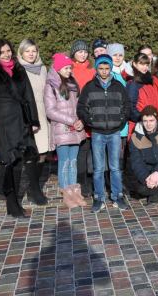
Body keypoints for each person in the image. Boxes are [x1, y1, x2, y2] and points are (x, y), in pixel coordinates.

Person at [0, 39, 40, 218]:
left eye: (8, 51)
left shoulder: (19, 69)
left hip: (22, 121)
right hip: (4, 123)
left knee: (18, 162)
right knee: (8, 163)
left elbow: (29, 96)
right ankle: (11, 202)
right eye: (2, 52)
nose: (6, 54)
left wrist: (34, 120)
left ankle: (15, 200)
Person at [77, 54, 132, 213]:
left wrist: (120, 118)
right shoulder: (89, 86)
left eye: (107, 68)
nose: (104, 71)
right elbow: (81, 107)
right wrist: (91, 120)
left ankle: (117, 196)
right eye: (101, 68)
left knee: (115, 167)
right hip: (97, 132)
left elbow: (127, 105)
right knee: (98, 168)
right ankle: (99, 197)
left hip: (114, 132)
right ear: (97, 69)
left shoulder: (118, 86)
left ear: (110, 68)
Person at [44, 54, 87, 208]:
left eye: (70, 68)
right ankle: (67, 194)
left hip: (76, 129)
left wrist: (81, 120)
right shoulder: (51, 86)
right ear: (58, 69)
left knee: (73, 161)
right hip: (61, 130)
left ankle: (75, 192)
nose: (69, 70)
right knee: (64, 162)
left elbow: (79, 106)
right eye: (66, 68)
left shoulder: (73, 84)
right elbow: (50, 111)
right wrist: (71, 120)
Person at [17, 39, 50, 206]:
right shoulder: (18, 69)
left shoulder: (42, 68)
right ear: (21, 52)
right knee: (31, 153)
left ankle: (33, 187)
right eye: (27, 51)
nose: (31, 54)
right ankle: (35, 190)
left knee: (43, 152)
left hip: (44, 111)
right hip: (28, 113)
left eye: (34, 51)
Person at [70, 40, 96, 197]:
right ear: (73, 53)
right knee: (81, 152)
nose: (83, 54)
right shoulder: (70, 71)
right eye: (80, 51)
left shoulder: (92, 71)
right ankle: (81, 182)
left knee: (92, 151)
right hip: (78, 117)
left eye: (85, 52)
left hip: (92, 116)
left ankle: (92, 181)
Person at [126, 53, 158, 138]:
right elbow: (130, 108)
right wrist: (144, 120)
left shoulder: (148, 82)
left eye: (147, 65)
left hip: (152, 125)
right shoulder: (133, 84)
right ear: (134, 64)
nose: (145, 67)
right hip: (139, 126)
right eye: (142, 64)